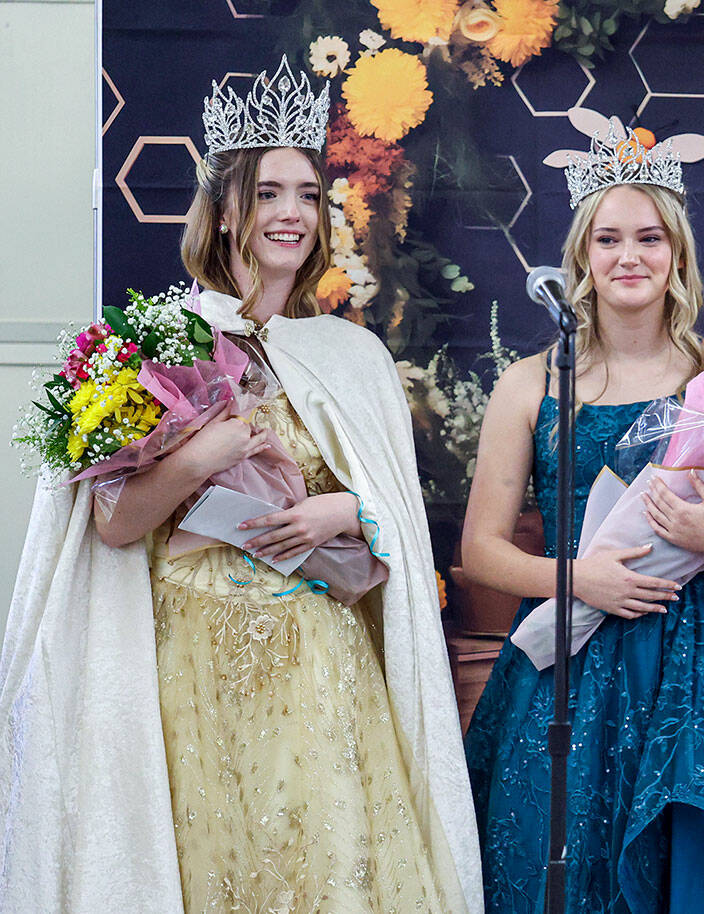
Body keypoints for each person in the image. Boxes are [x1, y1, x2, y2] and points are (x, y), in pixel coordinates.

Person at [0, 58, 481, 913]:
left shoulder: (352, 356)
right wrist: (197, 457)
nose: (291, 213)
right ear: (225, 210)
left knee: (322, 863)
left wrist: (345, 508)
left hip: (318, 654)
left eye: (307, 195)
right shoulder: (155, 345)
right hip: (189, 653)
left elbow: (398, 522)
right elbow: (112, 528)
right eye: (267, 194)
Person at [461, 124, 704, 914]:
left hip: (702, 653)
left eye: (649, 238)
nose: (629, 256)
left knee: (703, 855)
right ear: (582, 257)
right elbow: (480, 549)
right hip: (572, 649)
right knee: (561, 853)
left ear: (676, 253)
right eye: (608, 239)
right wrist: (580, 580)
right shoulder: (531, 384)